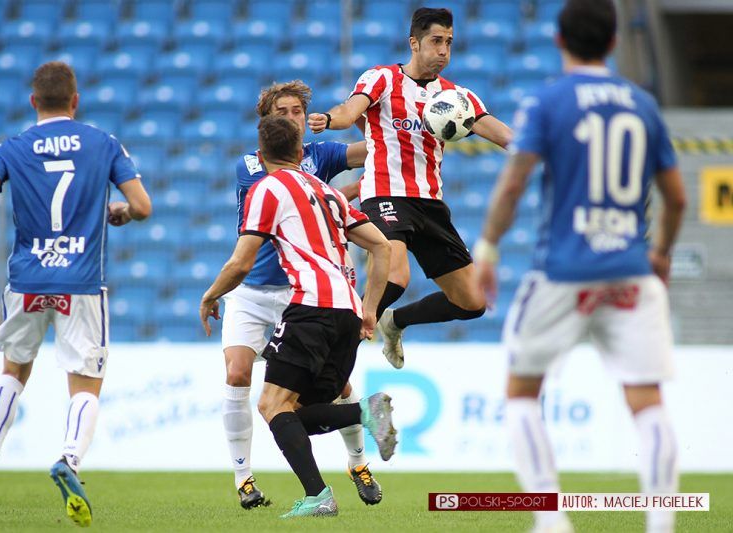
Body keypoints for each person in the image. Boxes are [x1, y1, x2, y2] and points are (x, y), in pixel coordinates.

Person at [473, 1, 686, 532]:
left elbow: (514, 183)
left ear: (559, 40)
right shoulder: (643, 104)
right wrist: (661, 253)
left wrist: (489, 249)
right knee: (648, 403)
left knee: (521, 393)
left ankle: (552, 521)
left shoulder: (548, 101)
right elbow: (677, 198)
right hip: (631, 271)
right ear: (614, 42)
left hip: (563, 271)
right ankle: (662, 525)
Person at [0, 61, 152, 527]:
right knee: (86, 383)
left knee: (13, 370)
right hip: (81, 282)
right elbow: (143, 205)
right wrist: (122, 212)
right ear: (75, 101)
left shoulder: (11, 147)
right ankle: (68, 460)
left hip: (27, 280)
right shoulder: (103, 143)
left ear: (33, 101)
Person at [200, 116, 396, 518]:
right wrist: (370, 308)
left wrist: (210, 295)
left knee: (272, 405)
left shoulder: (266, 189)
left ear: (262, 154)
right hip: (347, 311)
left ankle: (320, 493)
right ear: (298, 150)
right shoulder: (327, 191)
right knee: (295, 413)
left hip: (310, 306)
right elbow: (382, 247)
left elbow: (241, 263)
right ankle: (362, 416)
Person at [308, 7, 513, 369]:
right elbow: (349, 111)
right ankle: (331, 352)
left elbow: (500, 133)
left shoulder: (456, 97)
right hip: (386, 194)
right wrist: (329, 119)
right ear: (414, 43)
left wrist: (543, 150)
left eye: (449, 42)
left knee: (473, 301)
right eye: (436, 41)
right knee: (396, 274)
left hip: (430, 204)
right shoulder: (382, 79)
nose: (444, 50)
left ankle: (394, 321)